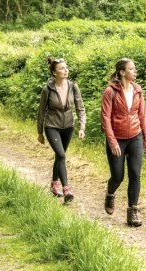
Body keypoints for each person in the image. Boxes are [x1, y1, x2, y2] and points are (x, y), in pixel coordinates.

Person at [100, 58, 146, 227]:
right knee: (118, 176)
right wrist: (112, 141)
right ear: (122, 72)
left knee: (135, 174)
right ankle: (110, 193)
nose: (135, 71)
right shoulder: (110, 92)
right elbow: (105, 118)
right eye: (132, 69)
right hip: (117, 138)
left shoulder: (138, 90)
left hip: (135, 136)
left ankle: (133, 212)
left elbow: (142, 115)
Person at [37, 57, 86, 203]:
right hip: (52, 126)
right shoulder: (48, 89)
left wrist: (82, 127)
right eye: (62, 68)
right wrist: (40, 132)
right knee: (61, 155)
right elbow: (41, 112)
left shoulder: (73, 87)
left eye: (66, 67)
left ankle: (54, 183)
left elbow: (80, 108)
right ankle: (66, 189)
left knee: (60, 156)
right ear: (54, 73)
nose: (66, 70)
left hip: (68, 127)